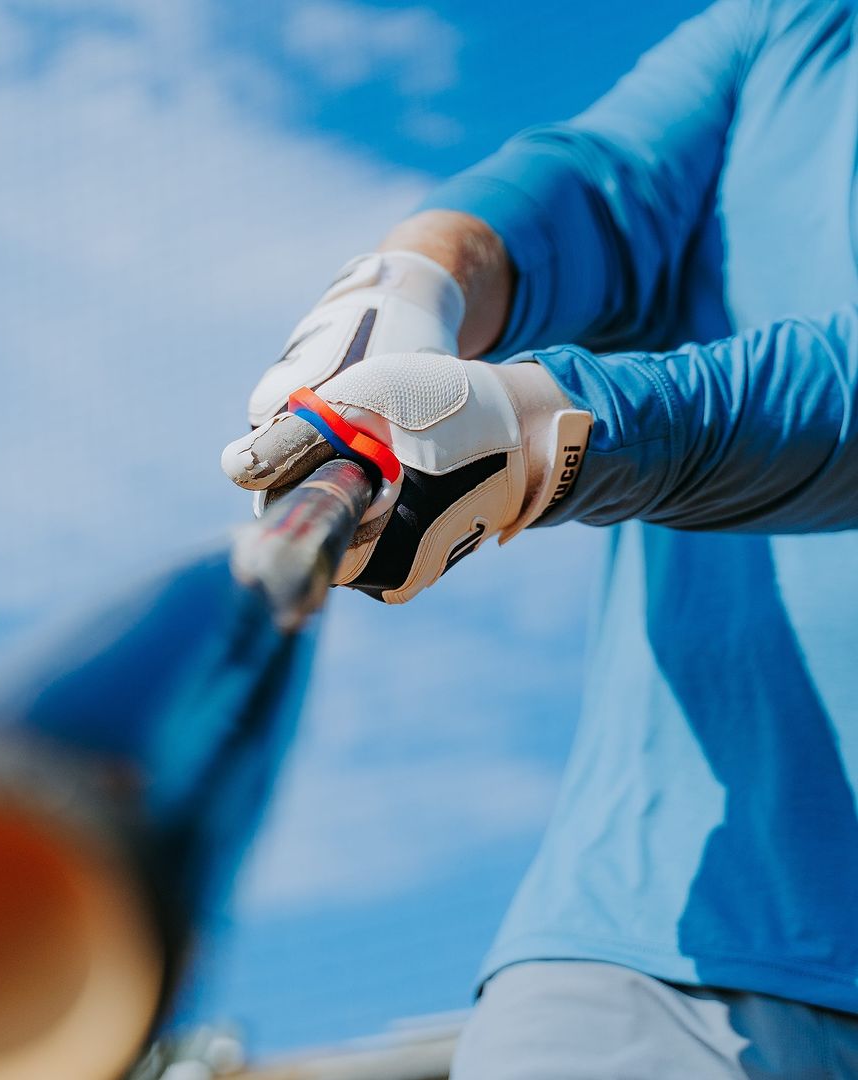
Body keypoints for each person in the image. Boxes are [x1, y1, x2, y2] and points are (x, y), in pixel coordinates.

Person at [223, 1, 858, 1076]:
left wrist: (546, 426)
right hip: (666, 948)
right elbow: (590, 186)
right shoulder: (792, 26)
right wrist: (409, 287)